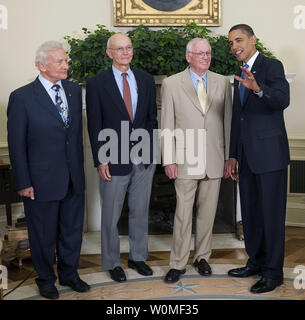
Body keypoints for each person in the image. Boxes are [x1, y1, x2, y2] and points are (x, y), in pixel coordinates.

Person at [7, 41, 90, 299]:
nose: (66, 65)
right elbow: (16, 145)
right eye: (60, 62)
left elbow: (73, 137)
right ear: (42, 65)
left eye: (66, 61)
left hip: (73, 178)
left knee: (72, 231)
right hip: (40, 181)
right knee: (42, 235)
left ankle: (70, 274)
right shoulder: (21, 97)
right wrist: (23, 181)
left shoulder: (74, 91)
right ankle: (45, 279)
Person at [86, 33, 158, 282]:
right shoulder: (96, 83)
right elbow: (94, 124)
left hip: (143, 156)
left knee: (140, 210)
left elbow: (151, 118)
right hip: (112, 156)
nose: (125, 52)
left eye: (128, 47)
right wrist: (100, 159)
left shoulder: (146, 80)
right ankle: (112, 262)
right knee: (111, 215)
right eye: (119, 48)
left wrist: (151, 150)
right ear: (109, 53)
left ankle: (138, 257)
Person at [161, 38, 232, 283]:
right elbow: (167, 125)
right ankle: (178, 263)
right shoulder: (171, 84)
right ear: (188, 56)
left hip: (214, 158)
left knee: (208, 213)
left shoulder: (222, 82)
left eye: (208, 53)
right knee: (182, 214)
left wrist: (228, 158)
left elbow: (228, 123)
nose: (205, 57)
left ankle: (202, 257)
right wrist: (168, 159)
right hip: (184, 160)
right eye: (200, 53)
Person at [227, 24, 290, 294]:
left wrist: (258, 88)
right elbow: (237, 120)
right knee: (251, 214)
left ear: (253, 40)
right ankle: (256, 262)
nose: (234, 46)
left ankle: (273, 272)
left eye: (239, 40)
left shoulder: (272, 66)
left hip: (270, 156)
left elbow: (282, 99)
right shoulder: (239, 74)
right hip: (246, 157)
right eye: (230, 43)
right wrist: (232, 155)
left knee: (271, 216)